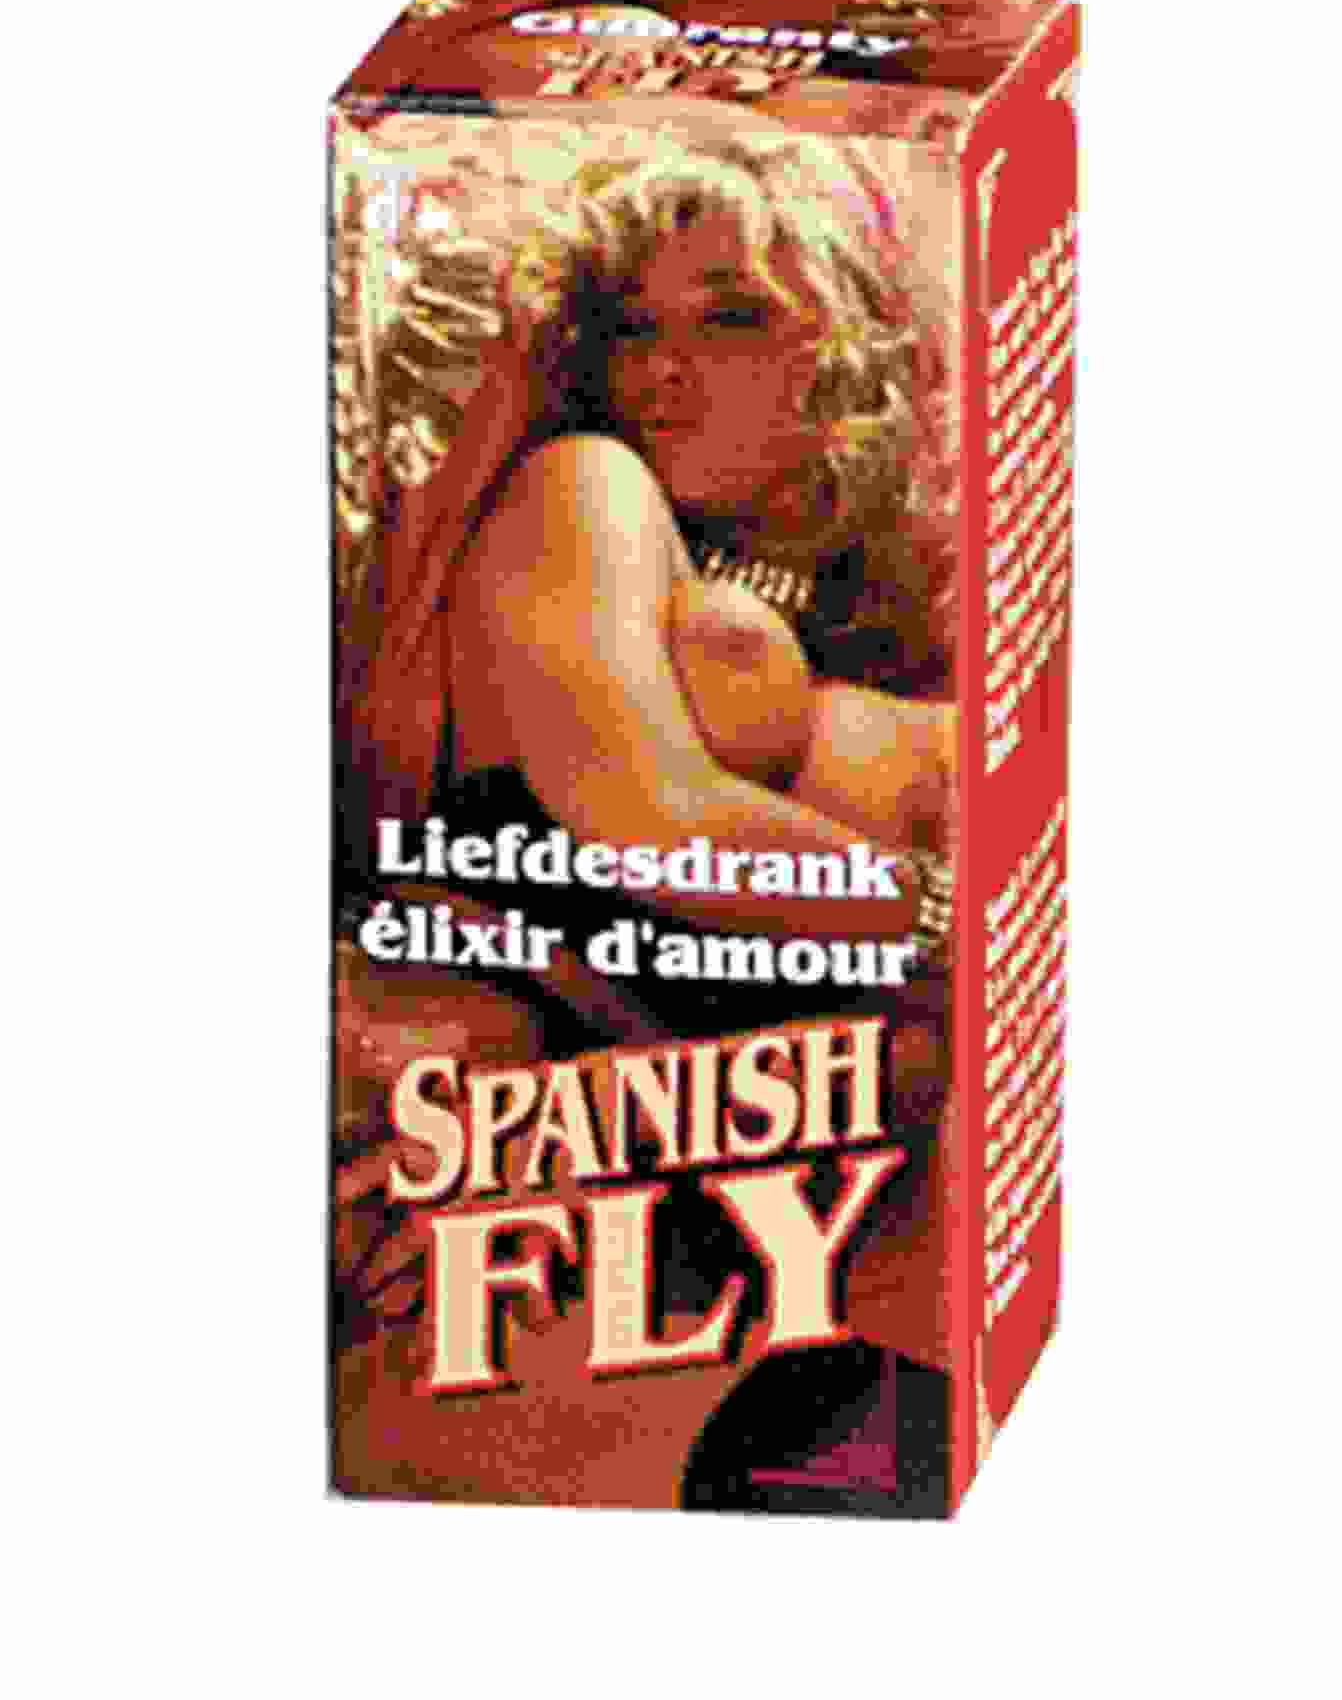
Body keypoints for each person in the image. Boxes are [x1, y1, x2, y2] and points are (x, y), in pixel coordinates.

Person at [332, 118, 957, 1507]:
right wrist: (950, 931)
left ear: (846, 345)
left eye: (730, 318)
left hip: (779, 1241)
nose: (661, 372)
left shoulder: (851, 626)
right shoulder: (583, 485)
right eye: (631, 331)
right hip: (670, 1261)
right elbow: (652, 823)